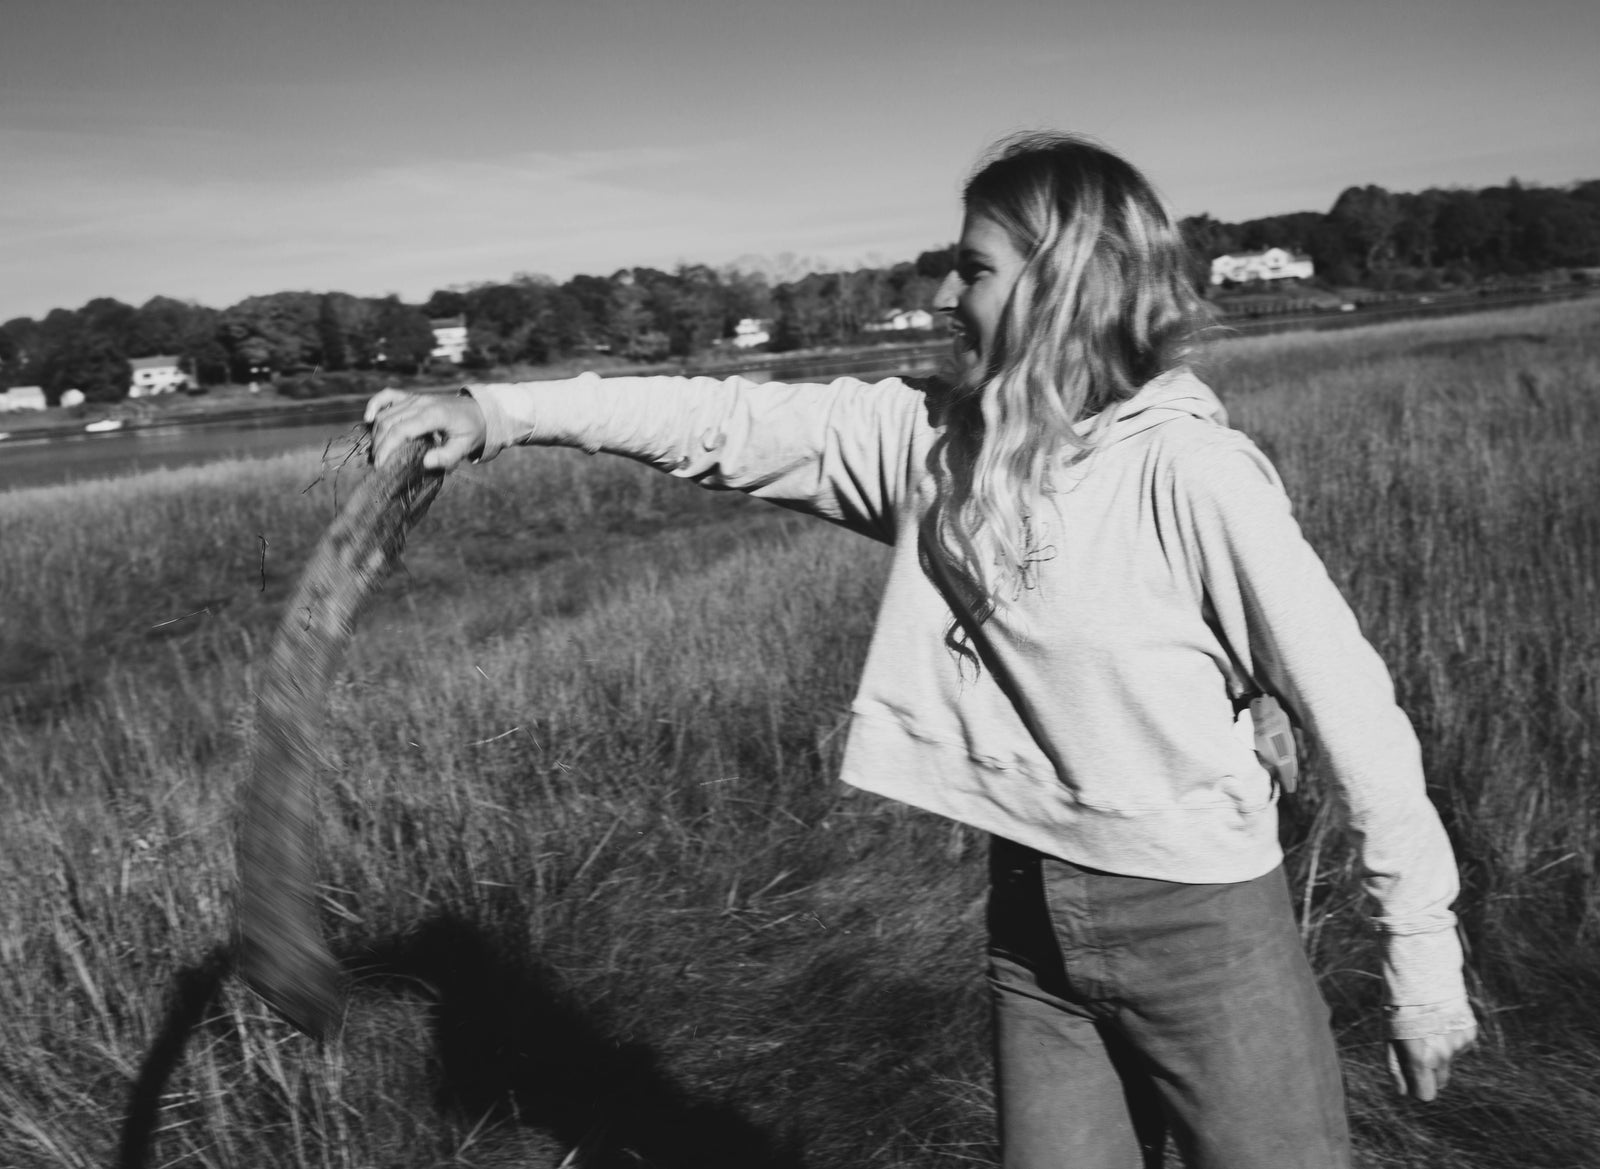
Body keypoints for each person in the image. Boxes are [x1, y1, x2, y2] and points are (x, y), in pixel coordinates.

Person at [366, 132, 1476, 1169]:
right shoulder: (937, 446)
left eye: (973, 268)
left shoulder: (1188, 473)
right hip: (1031, 921)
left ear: (1063, 283)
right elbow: (723, 420)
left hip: (1202, 924)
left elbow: (1354, 707)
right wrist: (494, 408)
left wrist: (1420, 957)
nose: (944, 294)